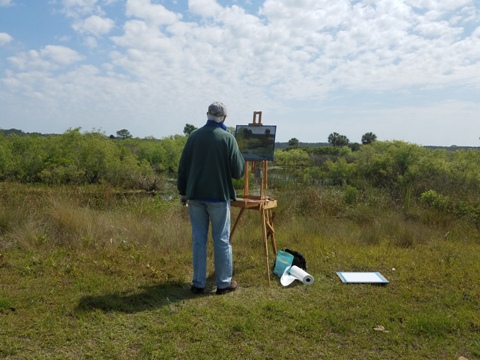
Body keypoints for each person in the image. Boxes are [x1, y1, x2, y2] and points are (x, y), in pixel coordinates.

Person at [177, 101, 245, 295]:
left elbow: (183, 168)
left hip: (195, 196)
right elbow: (238, 172)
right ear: (224, 118)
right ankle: (223, 284)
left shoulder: (193, 137)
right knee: (221, 240)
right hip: (218, 197)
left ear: (207, 114)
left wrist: (183, 192)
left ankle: (198, 283)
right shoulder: (228, 138)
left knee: (199, 239)